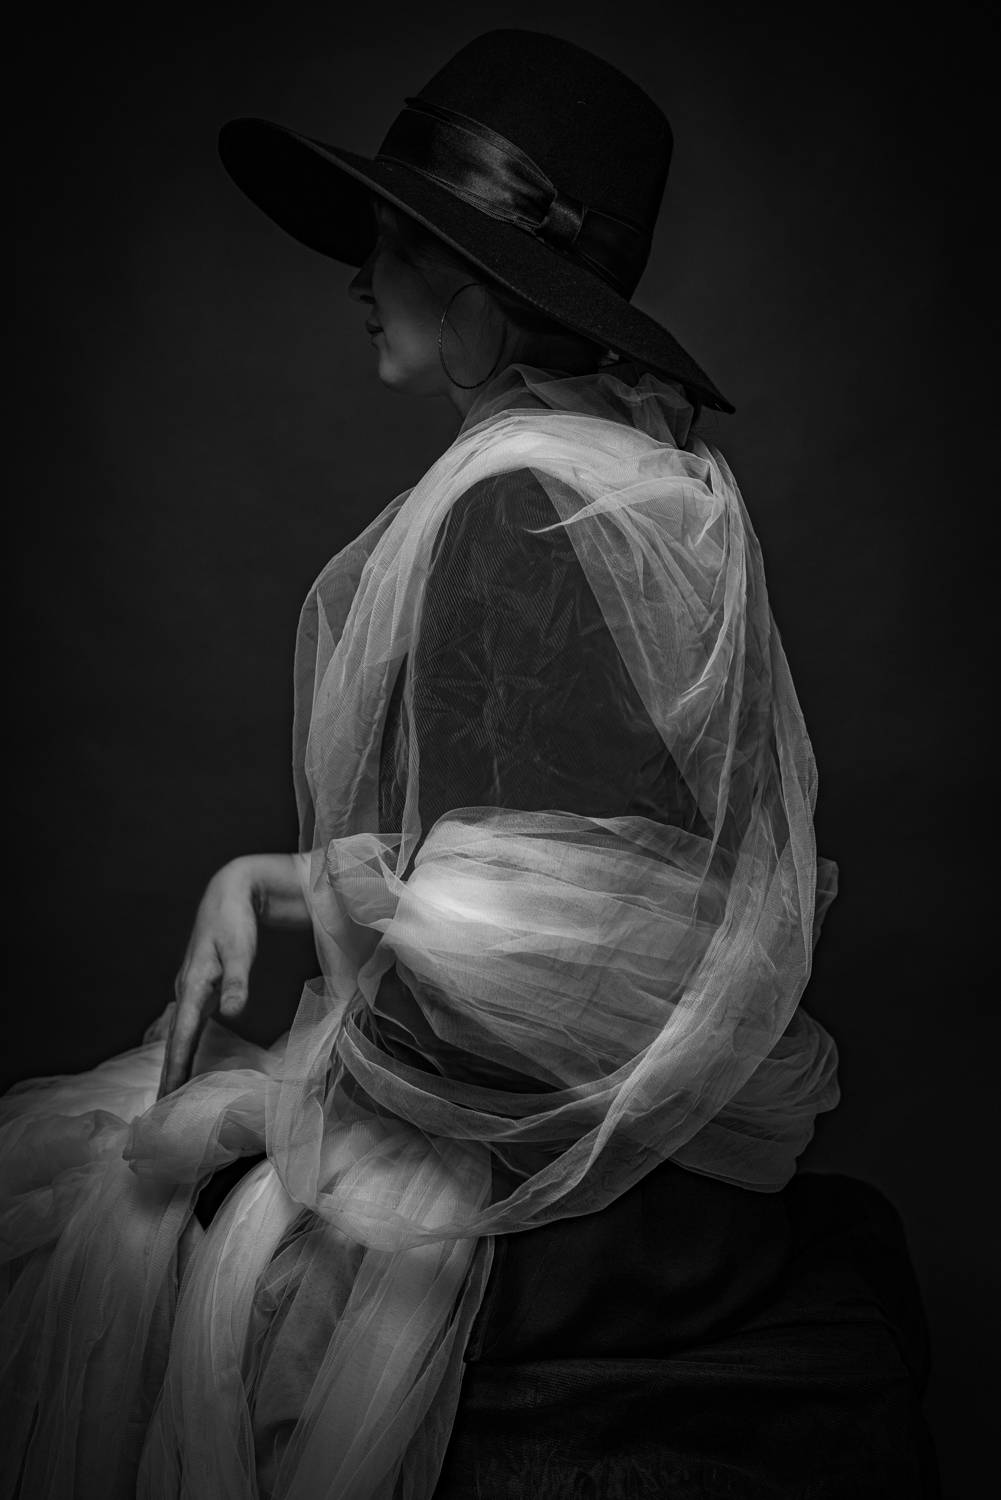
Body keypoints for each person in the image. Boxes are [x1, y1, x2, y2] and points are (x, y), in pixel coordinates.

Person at [0, 29, 938, 1500]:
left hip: (557, 1210)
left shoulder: (509, 505)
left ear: (482, 289)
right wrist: (283, 880)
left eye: (391, 241)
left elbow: (518, 988)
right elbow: (582, 870)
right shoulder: (659, 478)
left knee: (95, 1205)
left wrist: (306, 1071)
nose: (355, 279)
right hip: (669, 1162)